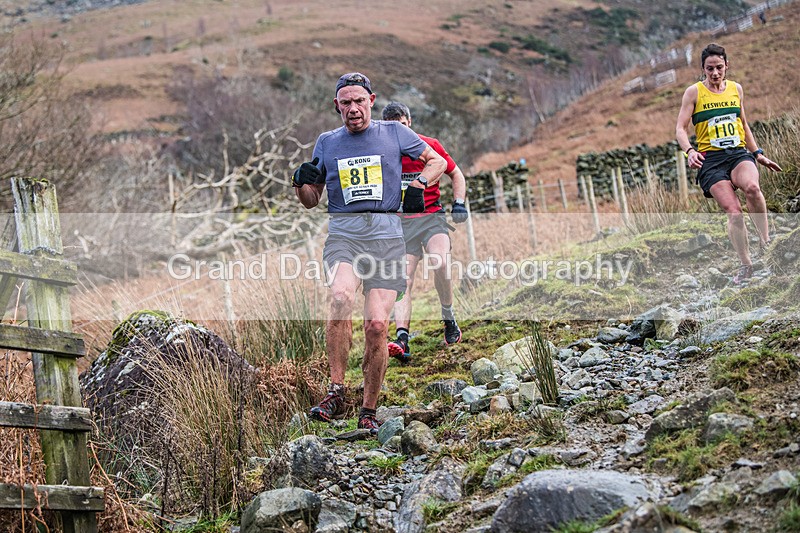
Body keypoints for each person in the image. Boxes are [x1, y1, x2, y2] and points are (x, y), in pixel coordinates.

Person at [292, 73, 446, 433]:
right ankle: (335, 390)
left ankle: (368, 410)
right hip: (345, 234)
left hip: (387, 236)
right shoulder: (327, 142)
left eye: (359, 101)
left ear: (371, 101)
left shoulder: (393, 133)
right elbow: (311, 201)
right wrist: (300, 182)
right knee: (341, 296)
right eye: (345, 103)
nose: (353, 108)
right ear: (337, 106)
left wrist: (420, 184)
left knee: (377, 325)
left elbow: (435, 161)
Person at [676, 43, 782, 284]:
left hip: (737, 154)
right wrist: (689, 151)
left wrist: (758, 154)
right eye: (709, 68)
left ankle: (766, 244)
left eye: (719, 68)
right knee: (734, 213)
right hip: (710, 160)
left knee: (753, 188)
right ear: (703, 69)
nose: (715, 73)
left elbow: (743, 124)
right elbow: (680, 129)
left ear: (727, 66)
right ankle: (746, 263)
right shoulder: (693, 92)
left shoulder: (736, 89)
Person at [380, 102, 469, 362]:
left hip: (431, 217)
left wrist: (460, 203)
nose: (402, 134)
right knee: (403, 281)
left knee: (440, 263)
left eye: (405, 127)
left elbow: (457, 174)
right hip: (401, 223)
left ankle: (448, 315)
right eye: (395, 130)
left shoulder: (428, 145)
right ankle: (402, 339)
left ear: (411, 122)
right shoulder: (383, 153)